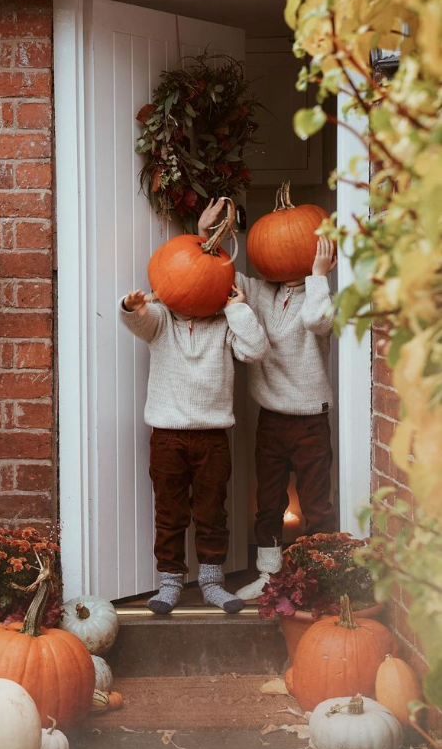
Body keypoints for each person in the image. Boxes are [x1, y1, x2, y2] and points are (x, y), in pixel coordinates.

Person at [120, 217, 267, 614]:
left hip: (212, 435)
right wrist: (133, 307)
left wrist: (238, 310)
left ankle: (212, 582)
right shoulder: (162, 320)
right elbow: (140, 321)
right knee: (170, 512)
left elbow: (254, 350)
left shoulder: (224, 324)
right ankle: (169, 581)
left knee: (210, 513)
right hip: (167, 435)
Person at [199, 199, 337, 601]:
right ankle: (270, 575)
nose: (280, 249)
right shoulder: (258, 292)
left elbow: (317, 321)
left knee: (316, 503)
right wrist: (207, 234)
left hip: (311, 418)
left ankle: (321, 579)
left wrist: (318, 275)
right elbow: (214, 274)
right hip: (271, 418)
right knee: (269, 502)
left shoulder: (320, 296)